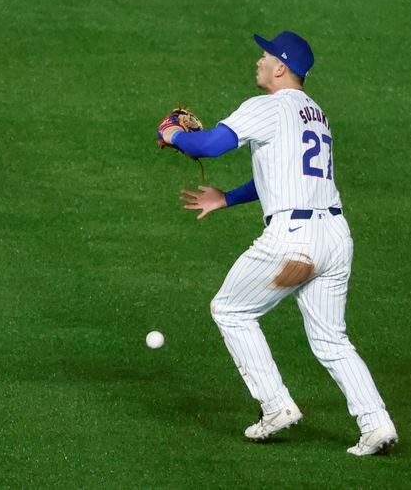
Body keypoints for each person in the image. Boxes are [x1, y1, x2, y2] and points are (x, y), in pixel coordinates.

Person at [157, 31, 398, 456]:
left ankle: (276, 405)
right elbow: (283, 172)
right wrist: (227, 197)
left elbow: (211, 144)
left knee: (230, 310)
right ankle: (376, 423)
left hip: (294, 241)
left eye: (265, 56)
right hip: (335, 238)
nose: (258, 61)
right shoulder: (316, 114)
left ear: (281, 67)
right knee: (331, 340)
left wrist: (174, 134)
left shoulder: (267, 107)